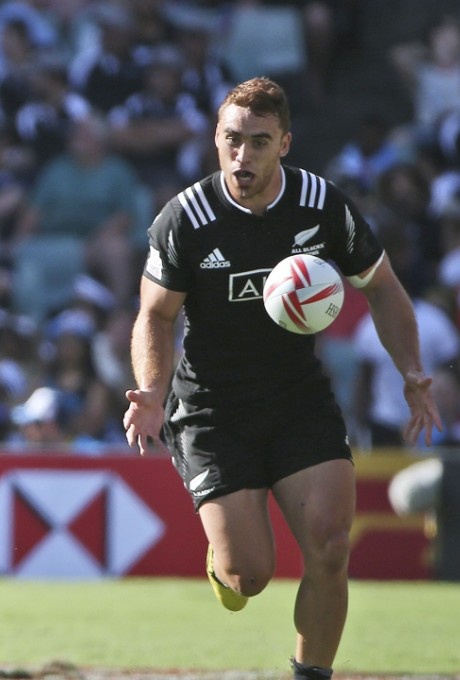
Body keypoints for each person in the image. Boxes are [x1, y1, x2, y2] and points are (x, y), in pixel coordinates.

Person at [121, 77, 441, 680]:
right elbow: (155, 316)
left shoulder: (324, 206)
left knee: (330, 548)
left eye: (259, 142)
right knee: (251, 576)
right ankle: (225, 565)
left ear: (285, 143)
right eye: (231, 140)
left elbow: (382, 287)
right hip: (211, 411)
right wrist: (151, 393)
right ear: (216, 139)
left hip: (298, 399)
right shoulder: (184, 219)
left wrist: (413, 372)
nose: (242, 156)